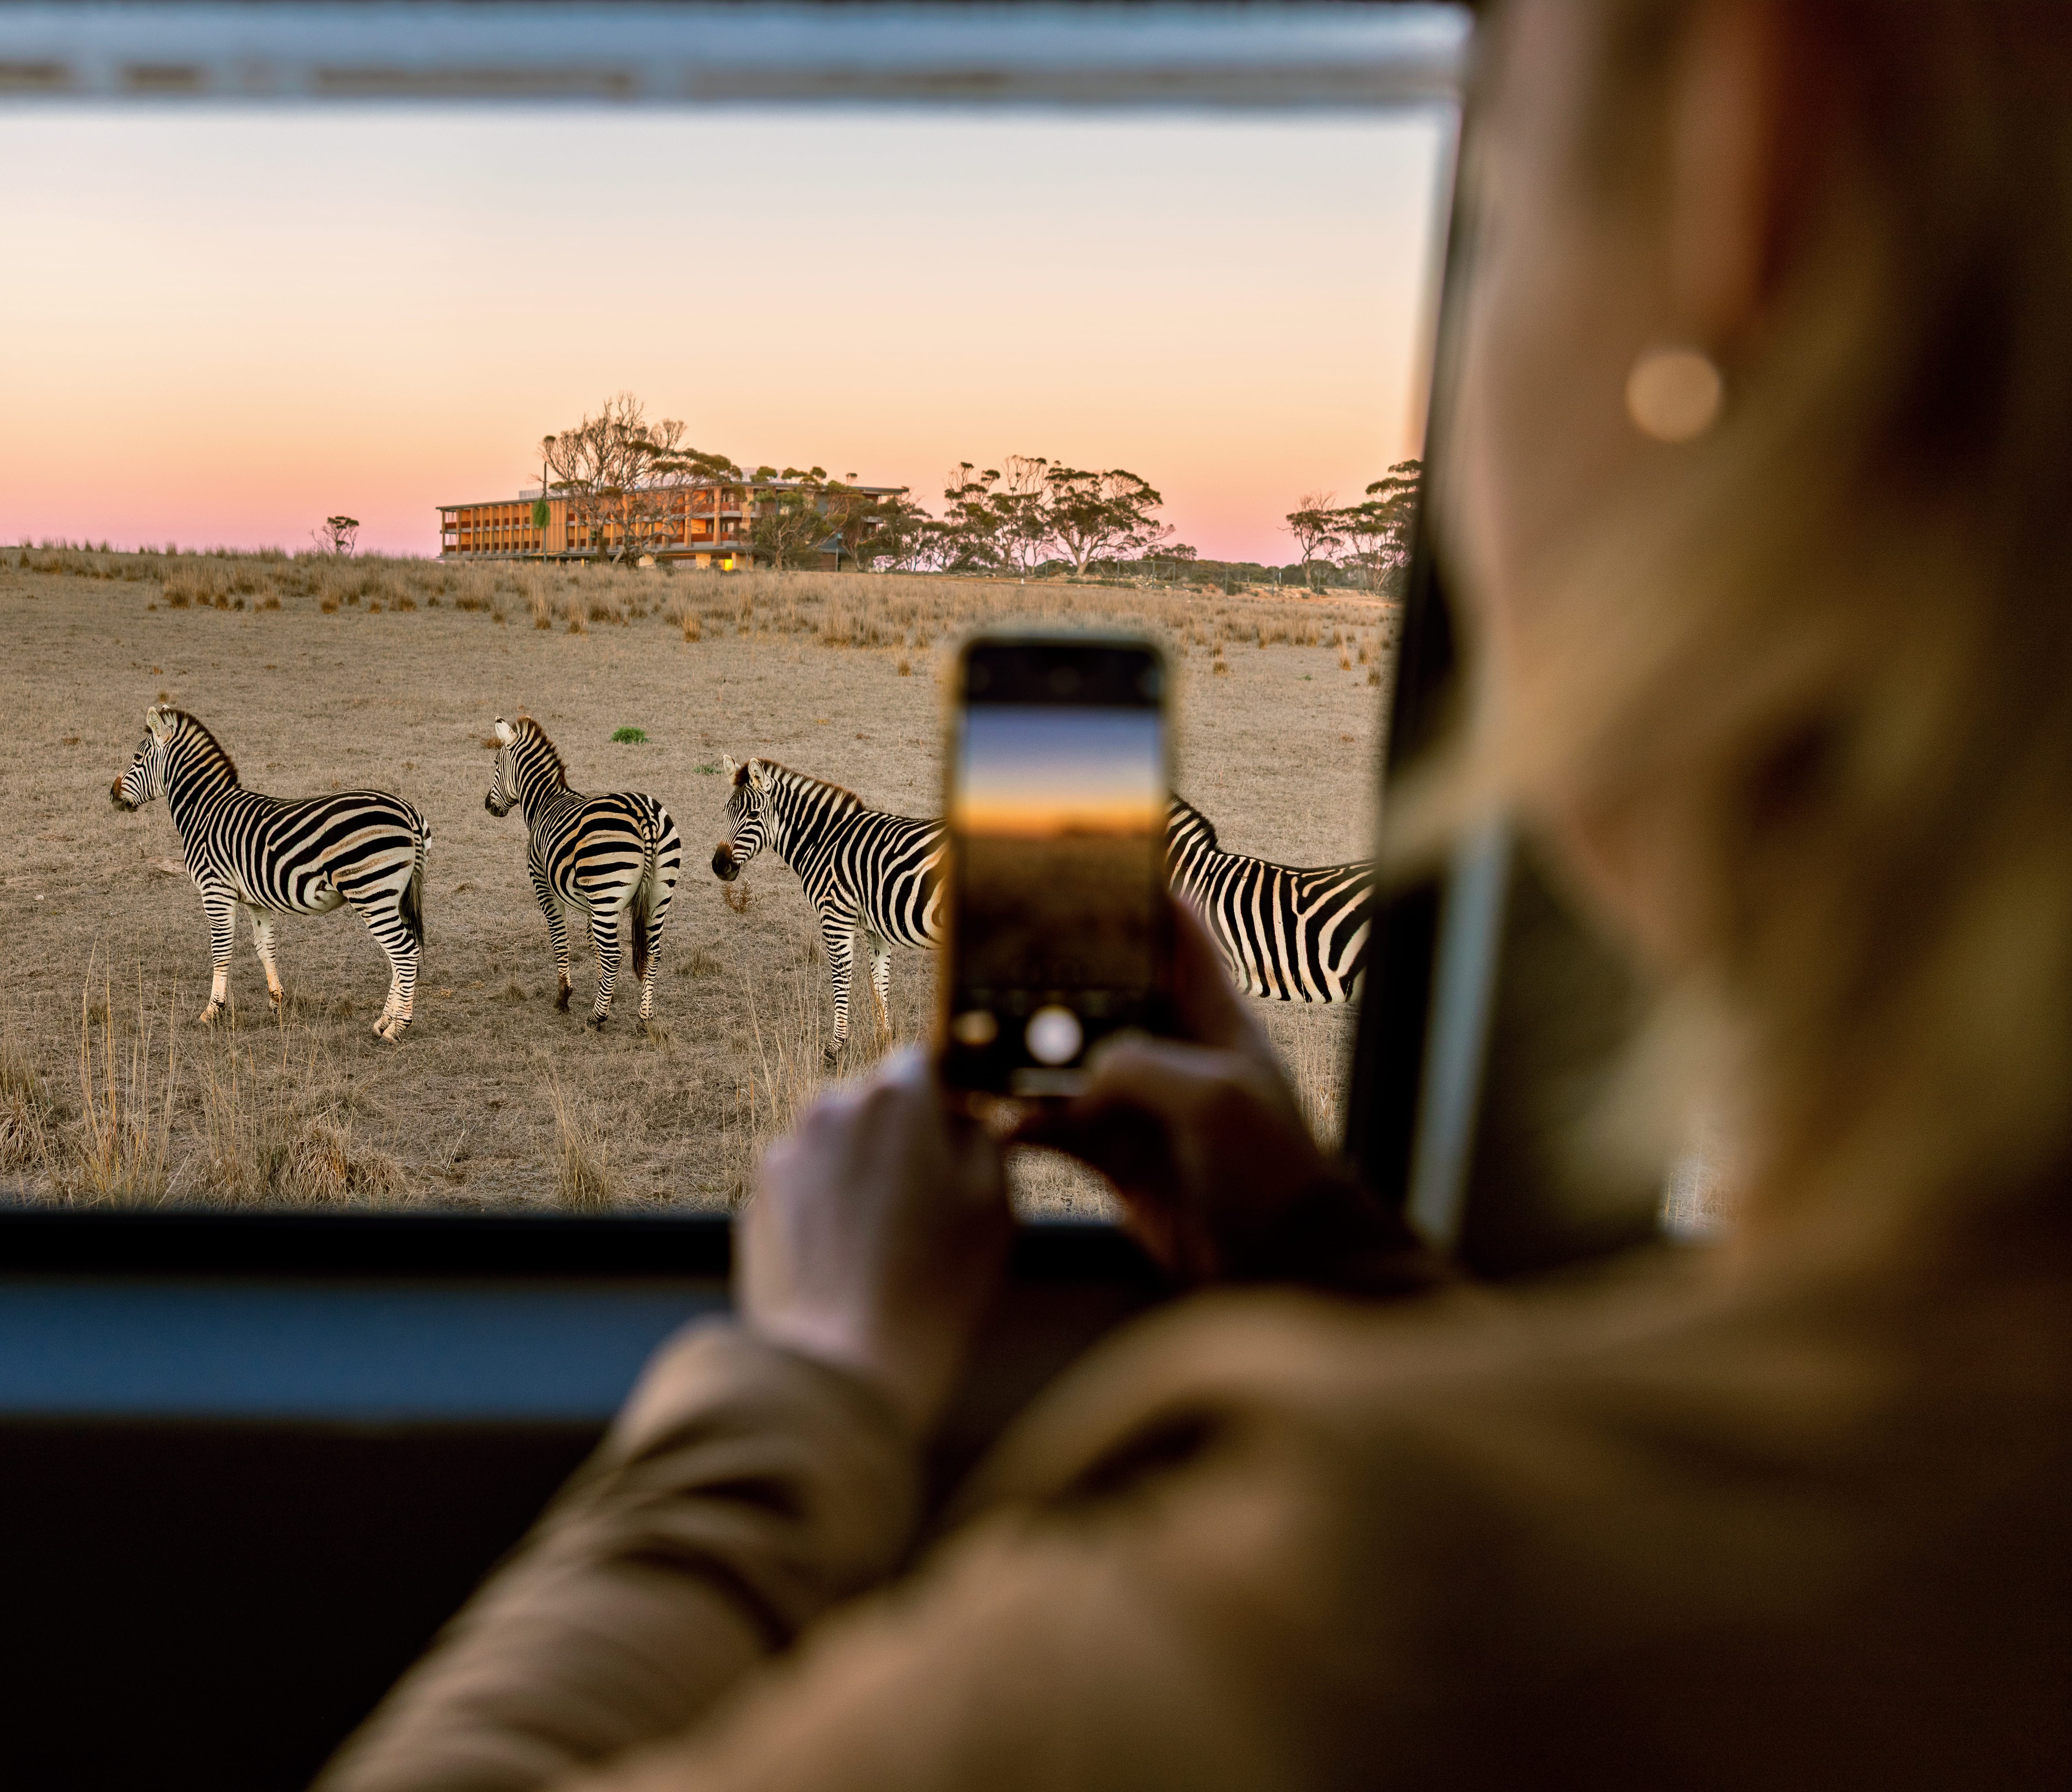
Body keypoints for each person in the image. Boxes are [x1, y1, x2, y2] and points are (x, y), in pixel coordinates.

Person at [318, 3, 2072, 1785]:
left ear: (1742, 171)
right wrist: (1322, 1251)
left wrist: (807, 1382)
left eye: (1511, 197)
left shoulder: (1332, 1627)